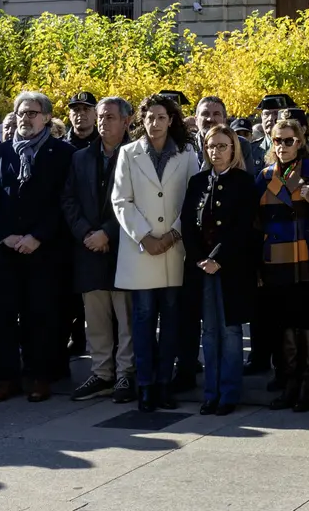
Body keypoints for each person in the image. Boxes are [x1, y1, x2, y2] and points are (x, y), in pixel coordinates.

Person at [0, 91, 73, 404]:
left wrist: (38, 236)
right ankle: (7, 378)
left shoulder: (63, 153)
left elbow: (63, 201)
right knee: (3, 316)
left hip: (42, 250)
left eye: (32, 113)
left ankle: (39, 377)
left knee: (40, 316)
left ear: (46, 117)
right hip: (5, 250)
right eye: (21, 112)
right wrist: (2, 235)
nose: (25, 118)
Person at [111, 94, 195, 413]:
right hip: (141, 251)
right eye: (149, 117)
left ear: (170, 120)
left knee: (171, 321)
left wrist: (174, 233)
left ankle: (163, 384)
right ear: (142, 121)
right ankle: (145, 385)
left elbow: (194, 198)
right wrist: (145, 237)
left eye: (161, 117)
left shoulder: (187, 153)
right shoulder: (128, 153)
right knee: (144, 320)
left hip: (174, 248)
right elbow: (121, 200)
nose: (155, 123)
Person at [62, 96, 135, 403]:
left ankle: (126, 373)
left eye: (110, 117)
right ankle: (102, 372)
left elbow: (138, 203)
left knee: (127, 318)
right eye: (101, 117)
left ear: (126, 121)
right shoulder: (81, 157)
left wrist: (107, 233)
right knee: (96, 318)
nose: (104, 122)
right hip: (89, 249)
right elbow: (68, 200)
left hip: (123, 249)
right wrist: (86, 233)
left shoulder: (137, 155)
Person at [184, 123, 258, 415]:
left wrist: (218, 258)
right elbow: (188, 224)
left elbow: (243, 228)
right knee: (209, 331)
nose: (215, 151)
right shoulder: (197, 181)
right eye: (211, 146)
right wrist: (200, 259)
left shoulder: (244, 182)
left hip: (232, 268)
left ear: (233, 149)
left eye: (222, 146)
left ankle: (229, 393)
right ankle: (211, 392)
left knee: (230, 331)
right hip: (202, 268)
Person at [257, 110, 309, 411]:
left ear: (300, 141)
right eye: (277, 140)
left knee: (308, 320)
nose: (282, 146)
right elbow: (254, 220)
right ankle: (289, 382)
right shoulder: (264, 176)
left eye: (288, 140)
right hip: (276, 259)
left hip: (307, 257)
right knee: (283, 322)